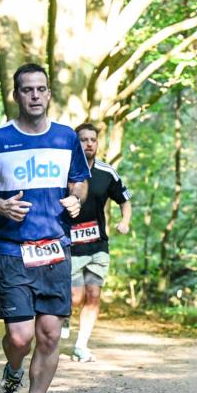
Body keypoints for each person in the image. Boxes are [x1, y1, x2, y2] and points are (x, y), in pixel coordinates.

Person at [0, 62, 89, 393]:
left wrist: (76, 201)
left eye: (40, 89)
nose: (34, 96)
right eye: (27, 90)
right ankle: (13, 371)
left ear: (49, 94)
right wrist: (0, 205)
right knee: (20, 337)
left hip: (55, 248)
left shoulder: (67, 138)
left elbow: (79, 183)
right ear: (16, 95)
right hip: (12, 249)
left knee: (50, 335)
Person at [64, 123, 132, 362]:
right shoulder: (64, 169)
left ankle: (81, 345)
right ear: (76, 143)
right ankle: (63, 315)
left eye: (93, 139)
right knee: (74, 297)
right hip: (69, 244)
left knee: (93, 294)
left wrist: (125, 221)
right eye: (83, 139)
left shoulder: (107, 172)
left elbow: (124, 199)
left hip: (97, 245)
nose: (89, 143)